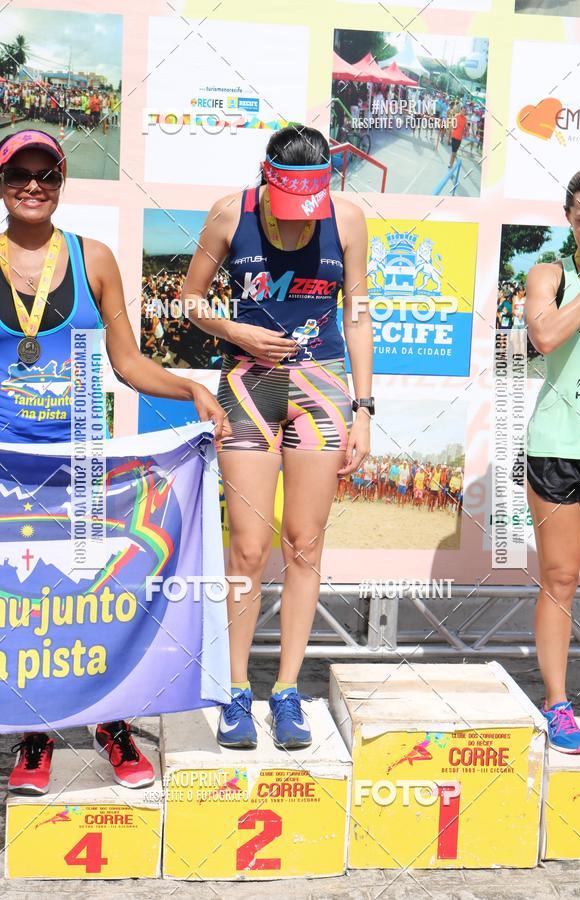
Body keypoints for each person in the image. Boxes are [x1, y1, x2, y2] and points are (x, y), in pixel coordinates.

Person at [0, 129, 229, 794]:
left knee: (95, 598)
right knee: (24, 608)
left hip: (84, 466)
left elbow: (127, 364)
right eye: (20, 174)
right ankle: (33, 737)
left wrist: (190, 387)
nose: (34, 185)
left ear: (63, 182)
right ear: (2, 182)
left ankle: (112, 725)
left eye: (47, 174)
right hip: (10, 469)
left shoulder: (92, 257)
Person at [183, 125, 372, 750]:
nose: (296, 224)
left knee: (304, 547)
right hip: (250, 385)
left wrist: (365, 408)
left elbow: (358, 310)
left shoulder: (345, 217)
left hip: (321, 387)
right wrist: (237, 332)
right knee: (247, 550)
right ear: (266, 180)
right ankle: (236, 688)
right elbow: (187, 303)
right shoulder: (225, 215)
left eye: (307, 210)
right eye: (288, 210)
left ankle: (287, 690)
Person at [525, 164, 580, 754]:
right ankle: (558, 704)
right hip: (558, 447)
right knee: (558, 580)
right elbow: (545, 337)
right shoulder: (548, 274)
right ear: (569, 221)